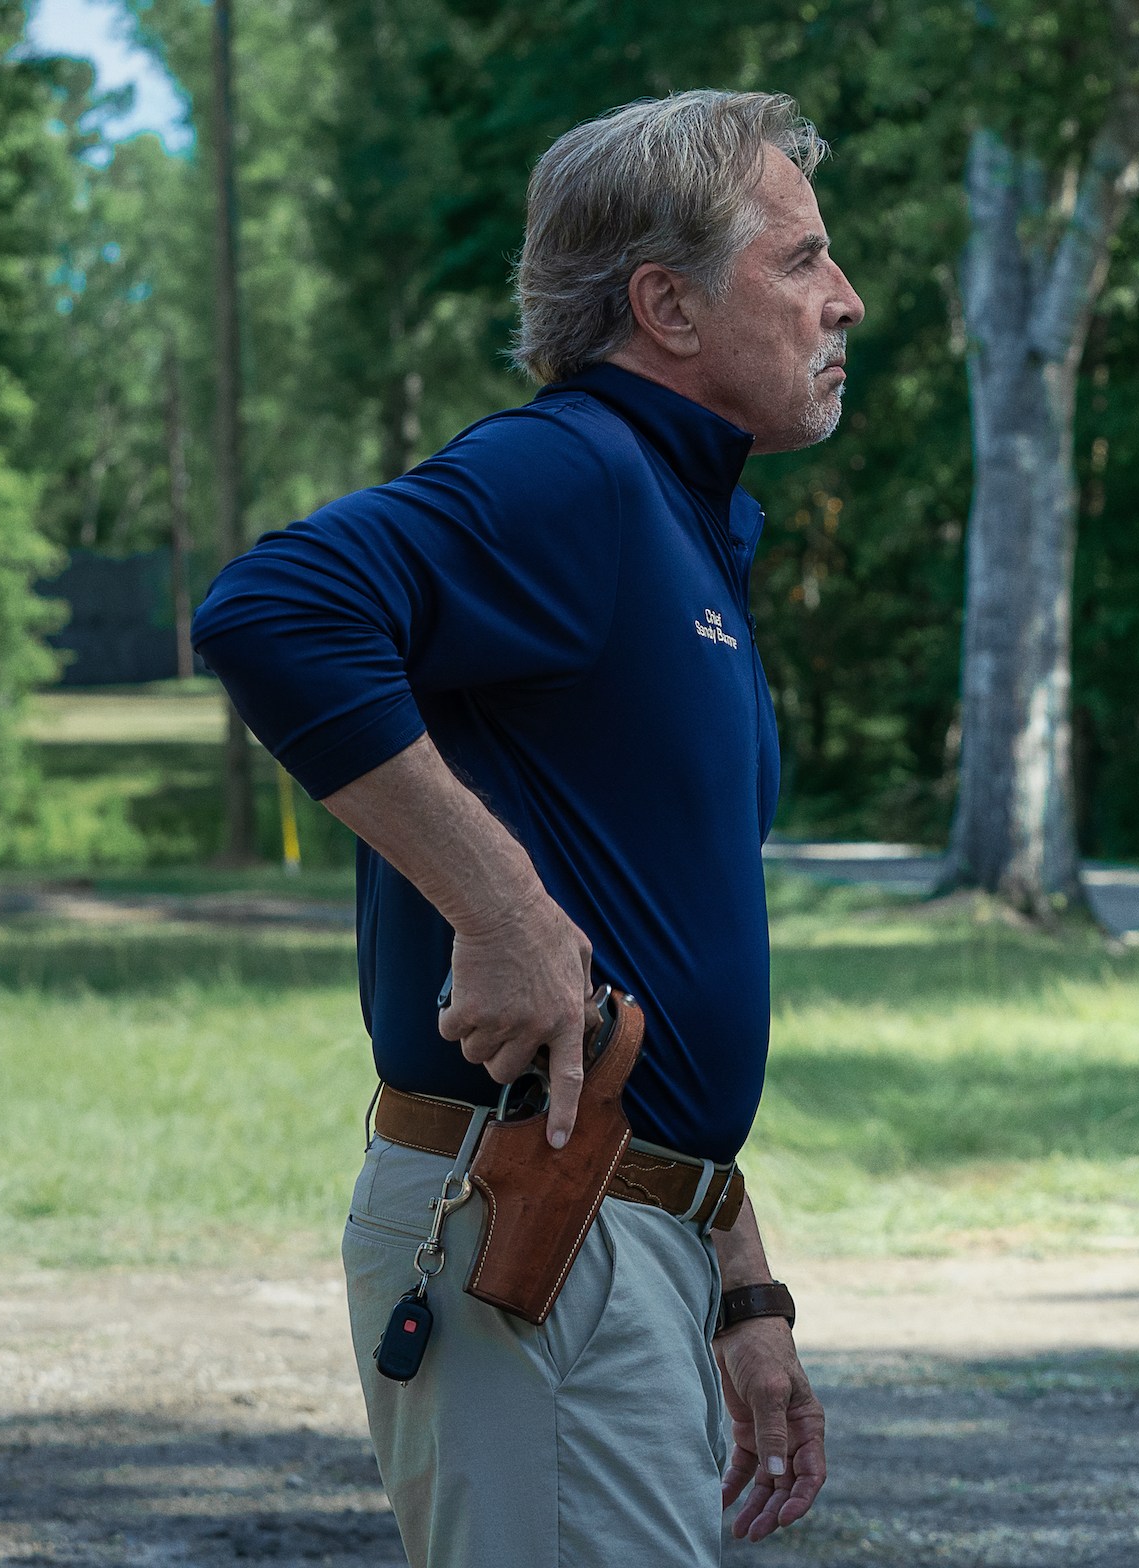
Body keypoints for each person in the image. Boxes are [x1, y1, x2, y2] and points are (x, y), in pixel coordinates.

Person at [192, 90, 863, 1566]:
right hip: (534, 1234)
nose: (846, 299)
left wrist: (737, 1277)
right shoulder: (578, 471)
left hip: (627, 1226)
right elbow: (272, 609)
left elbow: (653, 948)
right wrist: (499, 909)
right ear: (665, 306)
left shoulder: (677, 522)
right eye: (802, 260)